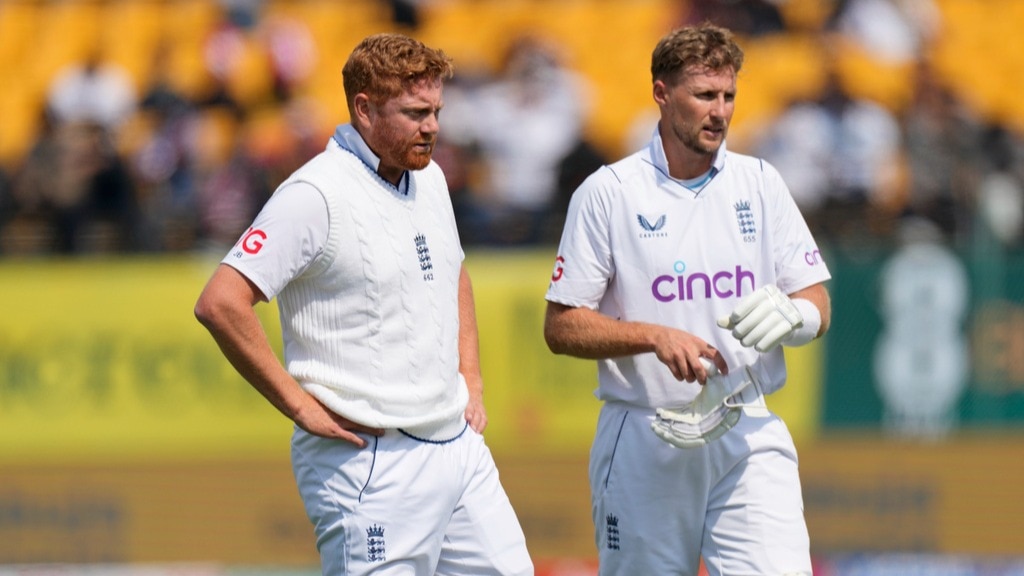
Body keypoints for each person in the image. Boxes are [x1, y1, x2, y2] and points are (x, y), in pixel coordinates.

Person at [194, 33, 533, 576]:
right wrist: (300, 406)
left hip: (457, 445)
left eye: (437, 111)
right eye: (416, 112)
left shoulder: (432, 179)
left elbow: (454, 271)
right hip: (367, 461)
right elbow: (220, 302)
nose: (433, 127)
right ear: (365, 109)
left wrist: (471, 375)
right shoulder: (314, 194)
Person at [543, 23, 832, 576]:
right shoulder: (610, 192)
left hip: (747, 424)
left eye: (728, 97)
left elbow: (814, 296)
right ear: (661, 93)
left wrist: (797, 316)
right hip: (647, 431)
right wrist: (653, 336)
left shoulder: (760, 182)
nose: (719, 112)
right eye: (704, 95)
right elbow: (561, 326)